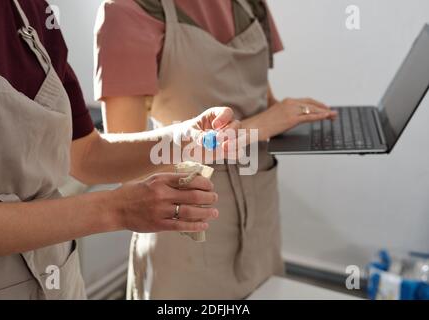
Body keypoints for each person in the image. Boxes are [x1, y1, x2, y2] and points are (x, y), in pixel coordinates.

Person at [0, 0, 238, 300]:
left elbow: (86, 155)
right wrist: (115, 209)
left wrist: (182, 139)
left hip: (57, 282)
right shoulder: (124, 13)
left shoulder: (33, 11)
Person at [95, 0, 338, 299]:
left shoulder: (250, 4)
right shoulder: (127, 11)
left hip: (262, 215)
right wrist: (260, 125)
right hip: (188, 223)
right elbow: (123, 167)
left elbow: (261, 100)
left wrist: (302, 119)